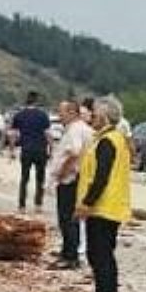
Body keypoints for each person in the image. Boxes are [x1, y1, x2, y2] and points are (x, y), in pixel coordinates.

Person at [74, 96, 133, 292]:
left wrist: (87, 203)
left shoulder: (108, 141)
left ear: (105, 116)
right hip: (110, 206)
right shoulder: (112, 138)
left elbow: (101, 177)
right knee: (103, 253)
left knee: (99, 255)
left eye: (96, 113)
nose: (92, 117)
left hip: (103, 207)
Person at [48, 100, 94, 269]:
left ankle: (70, 256)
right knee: (69, 218)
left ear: (72, 113)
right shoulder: (83, 129)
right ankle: (67, 250)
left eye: (62, 112)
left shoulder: (75, 130)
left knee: (67, 218)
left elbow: (74, 153)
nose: (59, 115)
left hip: (70, 179)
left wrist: (62, 172)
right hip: (78, 178)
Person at [9, 91, 52, 212]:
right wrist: (52, 148)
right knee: (40, 178)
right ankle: (38, 205)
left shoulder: (19, 115)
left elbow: (12, 134)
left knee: (24, 178)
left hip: (26, 149)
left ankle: (22, 206)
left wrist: (12, 150)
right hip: (40, 149)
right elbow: (48, 134)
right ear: (36, 101)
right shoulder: (43, 115)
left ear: (26, 100)